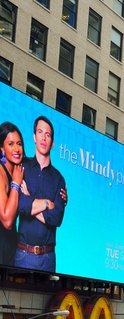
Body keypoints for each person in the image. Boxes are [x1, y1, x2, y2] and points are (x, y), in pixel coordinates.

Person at [16, 116, 66, 272]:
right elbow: (20, 205)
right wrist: (46, 203)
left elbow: (56, 218)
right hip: (23, 254)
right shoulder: (22, 167)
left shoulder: (59, 179)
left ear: (52, 144)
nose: (44, 137)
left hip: (48, 258)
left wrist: (30, 200)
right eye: (40, 132)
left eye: (48, 134)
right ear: (34, 137)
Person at [0, 122, 24, 265]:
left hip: (13, 247)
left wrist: (63, 196)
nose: (16, 149)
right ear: (2, 148)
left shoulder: (19, 171)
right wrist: (15, 183)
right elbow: (7, 221)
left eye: (19, 144)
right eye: (10, 144)